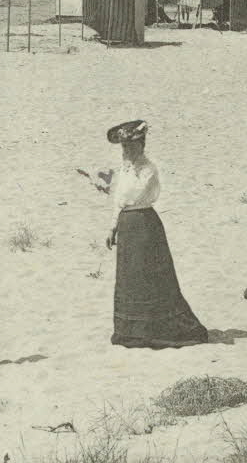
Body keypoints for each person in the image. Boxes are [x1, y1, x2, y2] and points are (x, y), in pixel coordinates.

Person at [94, 120, 208, 348]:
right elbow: (119, 202)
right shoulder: (125, 170)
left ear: (142, 146)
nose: (127, 151)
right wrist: (113, 227)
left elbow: (134, 197)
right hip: (127, 227)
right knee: (130, 280)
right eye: (124, 147)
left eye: (132, 147)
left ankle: (157, 330)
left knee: (150, 278)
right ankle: (131, 333)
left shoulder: (148, 169)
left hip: (145, 227)